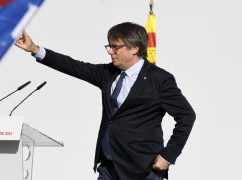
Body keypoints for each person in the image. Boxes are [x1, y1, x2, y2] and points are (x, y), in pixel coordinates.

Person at [14, 22, 196, 180]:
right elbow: (73, 66)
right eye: (109, 46)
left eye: (116, 47)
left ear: (134, 48)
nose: (110, 52)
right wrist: (35, 49)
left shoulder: (159, 79)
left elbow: (187, 116)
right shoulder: (107, 73)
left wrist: (168, 155)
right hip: (109, 167)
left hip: (143, 170)